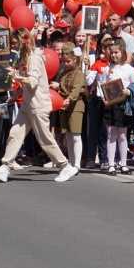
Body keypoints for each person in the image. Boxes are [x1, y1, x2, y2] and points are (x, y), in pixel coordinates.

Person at [0, 28, 79, 183]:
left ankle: (65, 166)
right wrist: (15, 95)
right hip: (28, 105)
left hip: (38, 105)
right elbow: (26, 84)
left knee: (45, 138)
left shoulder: (35, 58)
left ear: (24, 42)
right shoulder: (25, 58)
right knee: (15, 133)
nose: (14, 47)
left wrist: (16, 76)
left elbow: (32, 82)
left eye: (16, 43)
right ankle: (5, 167)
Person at [95, 40, 134, 175]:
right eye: (112, 52)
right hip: (110, 105)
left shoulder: (129, 69)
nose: (114, 55)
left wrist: (128, 91)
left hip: (123, 105)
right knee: (110, 134)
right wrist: (102, 96)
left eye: (117, 52)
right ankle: (111, 164)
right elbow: (100, 86)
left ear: (123, 52)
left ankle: (124, 163)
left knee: (122, 134)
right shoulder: (107, 69)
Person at [55, 44, 88, 174]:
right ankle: (71, 161)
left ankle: (77, 164)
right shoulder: (63, 72)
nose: (66, 63)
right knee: (67, 135)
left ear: (75, 60)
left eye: (68, 61)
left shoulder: (78, 73)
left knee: (76, 135)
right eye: (64, 61)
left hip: (75, 106)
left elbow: (76, 90)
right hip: (64, 106)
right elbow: (61, 87)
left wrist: (68, 98)